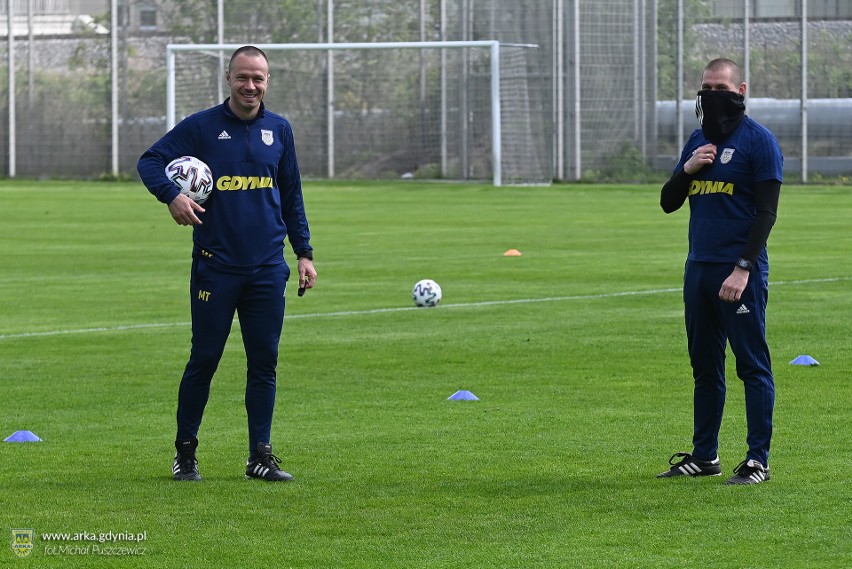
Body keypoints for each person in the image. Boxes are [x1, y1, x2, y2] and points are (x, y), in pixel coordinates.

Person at [137, 45, 316, 482]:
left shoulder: (279, 129)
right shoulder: (202, 127)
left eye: (258, 79)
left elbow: (291, 194)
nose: (250, 86)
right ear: (228, 78)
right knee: (205, 358)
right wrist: (173, 196)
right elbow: (150, 161)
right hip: (216, 267)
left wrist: (304, 253)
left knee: (264, 362)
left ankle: (260, 455)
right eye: (243, 77)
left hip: (267, 269)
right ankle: (186, 453)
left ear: (267, 82)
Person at [657, 58, 783, 485]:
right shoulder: (697, 141)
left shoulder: (759, 142)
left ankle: (756, 461)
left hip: (738, 272)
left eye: (720, 87)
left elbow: (766, 215)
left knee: (751, 365)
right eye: (705, 88)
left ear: (741, 89)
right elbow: (668, 202)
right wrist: (688, 169)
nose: (712, 95)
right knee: (705, 366)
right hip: (699, 270)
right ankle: (704, 456)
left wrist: (743, 269)